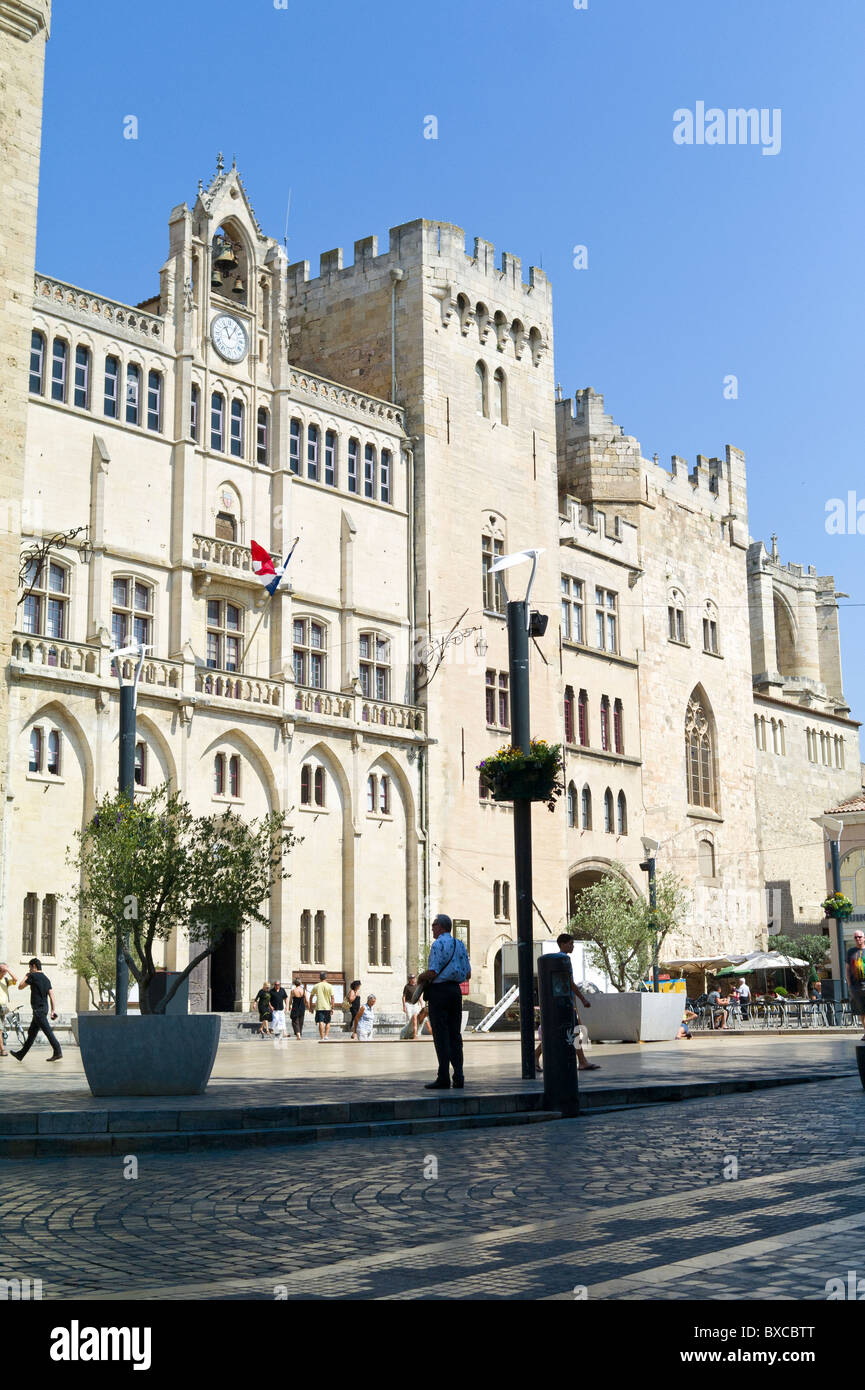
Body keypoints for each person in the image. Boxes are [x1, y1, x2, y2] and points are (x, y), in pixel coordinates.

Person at [416, 913, 470, 1089]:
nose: (432, 928)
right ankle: (459, 1075)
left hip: (439, 992)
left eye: (434, 925)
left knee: (440, 1035)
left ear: (441, 926)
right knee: (455, 1035)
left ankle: (444, 1077)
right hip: (455, 991)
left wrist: (420, 977)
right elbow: (468, 974)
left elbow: (432, 972)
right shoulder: (459, 944)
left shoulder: (438, 944)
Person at [534, 934, 600, 1072]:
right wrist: (583, 999)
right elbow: (570, 984)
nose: (573, 946)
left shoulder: (563, 959)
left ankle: (582, 1061)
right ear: (562, 944)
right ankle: (535, 1056)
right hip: (564, 1005)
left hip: (566, 1004)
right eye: (570, 943)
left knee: (568, 1033)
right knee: (563, 1033)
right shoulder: (564, 960)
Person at [11, 958, 62, 1062]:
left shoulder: (33, 976)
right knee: (32, 1033)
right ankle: (20, 1054)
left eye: (30, 968)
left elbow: (20, 986)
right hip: (43, 1009)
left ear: (34, 966)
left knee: (47, 1031)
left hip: (38, 1010)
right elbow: (51, 995)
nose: (29, 970)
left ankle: (58, 1051)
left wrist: (27, 975)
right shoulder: (46, 978)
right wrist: (53, 1010)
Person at [846, 929, 865, 1040]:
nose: (858, 939)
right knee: (862, 1011)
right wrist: (850, 985)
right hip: (856, 987)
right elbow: (847, 969)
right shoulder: (851, 952)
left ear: (864, 938)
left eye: (860, 937)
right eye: (856, 937)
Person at [309, 972, 335, 1040]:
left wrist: (310, 1007)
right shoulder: (330, 986)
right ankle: (326, 1035)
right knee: (328, 1022)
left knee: (321, 1021)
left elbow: (311, 997)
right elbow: (332, 998)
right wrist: (332, 1007)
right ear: (326, 978)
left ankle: (322, 1037)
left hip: (319, 1006)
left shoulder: (316, 986)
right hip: (327, 1007)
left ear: (319, 977)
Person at [0, 962, 18, 1058]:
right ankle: (2, 1050)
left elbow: (15, 979)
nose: (5, 973)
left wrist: (8, 970)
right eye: (3, 971)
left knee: (1, 1029)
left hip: (4, 1008)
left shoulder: (6, 980)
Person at [402, 975, 421, 1039]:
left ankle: (415, 1033)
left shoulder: (417, 986)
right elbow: (404, 996)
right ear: (409, 979)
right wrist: (404, 1006)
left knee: (416, 1019)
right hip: (408, 1004)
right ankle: (407, 1034)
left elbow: (419, 995)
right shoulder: (407, 986)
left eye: (414, 978)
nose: (413, 979)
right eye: (412, 978)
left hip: (415, 1004)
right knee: (409, 1019)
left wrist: (421, 1004)